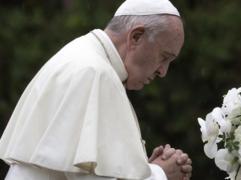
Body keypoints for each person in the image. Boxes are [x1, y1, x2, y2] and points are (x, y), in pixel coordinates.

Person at [0, 0, 192, 179]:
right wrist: (160, 174)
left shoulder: (82, 56)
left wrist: (139, 168)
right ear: (136, 36)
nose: (163, 71)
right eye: (164, 57)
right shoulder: (95, 73)